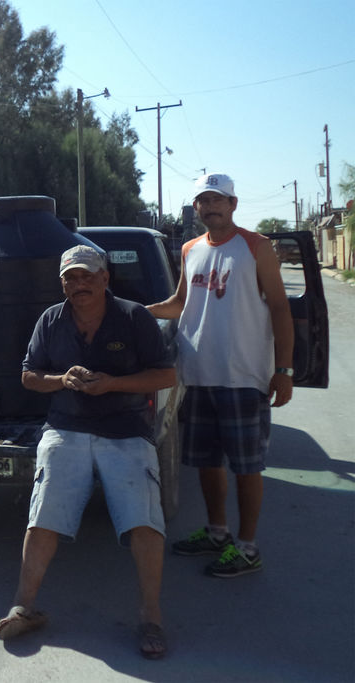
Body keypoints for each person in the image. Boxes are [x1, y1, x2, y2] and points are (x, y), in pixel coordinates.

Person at [0, 245, 175, 660]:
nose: (79, 285)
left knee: (144, 520)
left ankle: (151, 616)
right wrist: (62, 379)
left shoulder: (134, 316)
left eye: (87, 276)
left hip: (125, 430)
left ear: (105, 278)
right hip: (67, 428)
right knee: (43, 513)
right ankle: (24, 605)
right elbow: (28, 376)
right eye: (70, 278)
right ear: (62, 284)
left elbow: (166, 374)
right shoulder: (50, 319)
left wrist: (113, 384)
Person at [147, 173, 293, 578]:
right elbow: (180, 302)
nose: (210, 207)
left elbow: (280, 308)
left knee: (247, 466)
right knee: (207, 463)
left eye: (218, 200)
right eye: (204, 201)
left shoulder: (256, 246)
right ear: (196, 207)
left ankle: (247, 548)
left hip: (244, 376)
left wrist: (284, 370)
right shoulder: (190, 249)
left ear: (233, 204)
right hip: (197, 375)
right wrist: (136, 311)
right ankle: (217, 533)